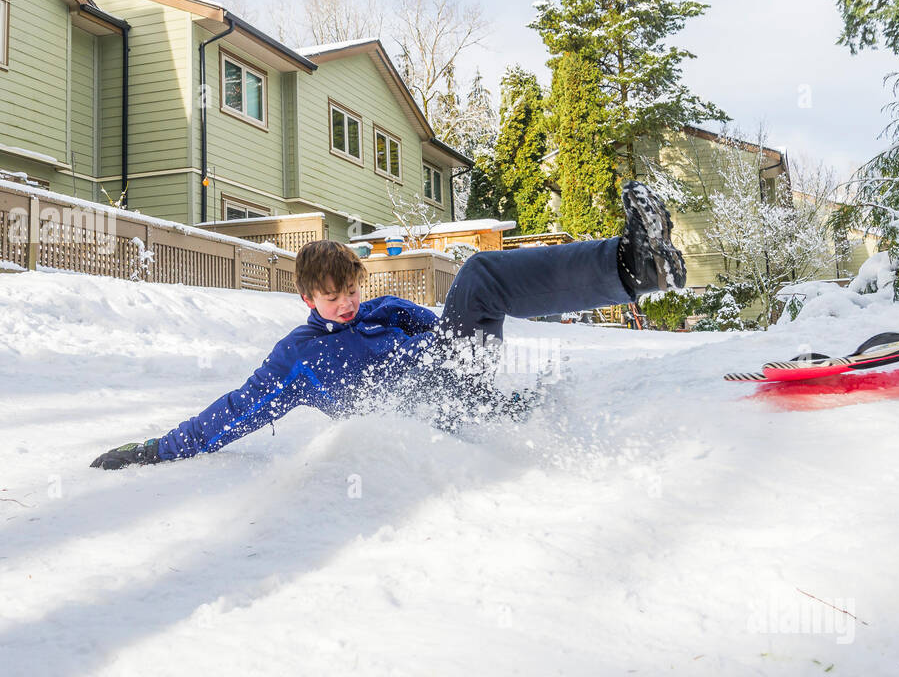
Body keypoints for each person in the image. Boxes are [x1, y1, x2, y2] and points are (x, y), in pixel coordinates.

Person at [90, 181, 686, 469]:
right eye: (332, 298)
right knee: (478, 275)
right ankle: (632, 268)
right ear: (306, 299)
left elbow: (444, 329)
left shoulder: (382, 311)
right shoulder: (295, 357)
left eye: (351, 290)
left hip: (453, 380)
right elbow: (236, 409)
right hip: (425, 412)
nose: (347, 304)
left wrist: (483, 390)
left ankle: (635, 267)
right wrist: (157, 448)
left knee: (480, 278)